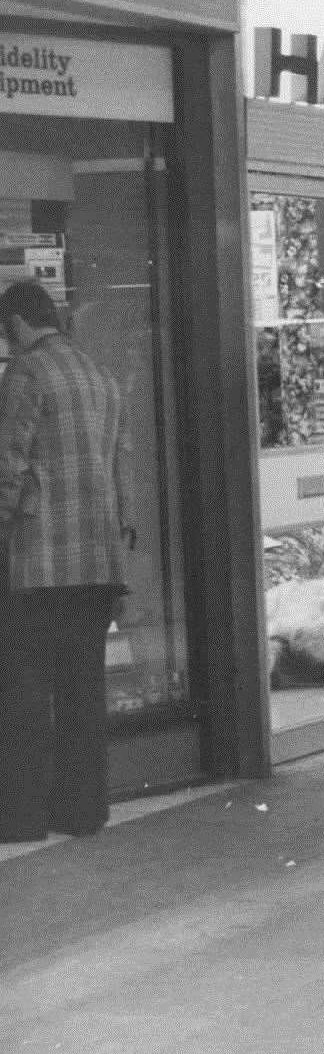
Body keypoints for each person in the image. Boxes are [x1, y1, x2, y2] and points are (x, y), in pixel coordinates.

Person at [0, 281, 131, 842]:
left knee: (25, 690)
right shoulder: (99, 377)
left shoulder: (26, 374)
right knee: (83, 690)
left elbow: (8, 464)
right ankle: (84, 811)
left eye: (6, 328)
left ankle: (23, 819)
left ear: (18, 322)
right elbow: (121, 467)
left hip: (40, 565)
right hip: (95, 566)